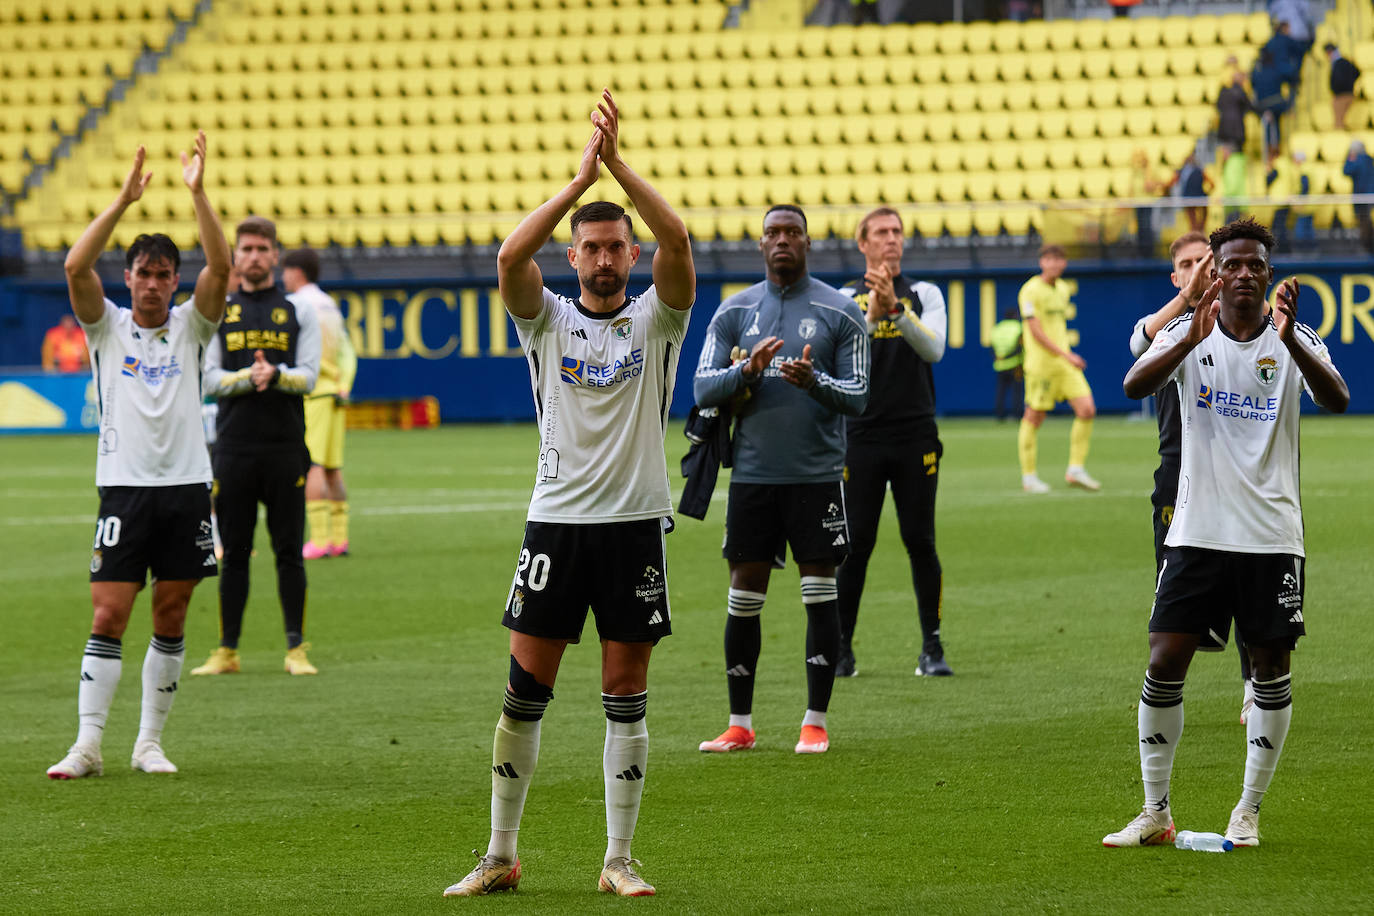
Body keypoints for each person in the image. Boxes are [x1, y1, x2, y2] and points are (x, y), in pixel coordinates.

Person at [443, 91, 694, 899]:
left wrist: (619, 167)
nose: (605, 258)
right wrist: (577, 180)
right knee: (525, 692)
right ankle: (500, 854)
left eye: (616, 245)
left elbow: (681, 239)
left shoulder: (658, 321)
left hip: (631, 530)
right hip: (554, 526)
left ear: (630, 252)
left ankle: (618, 859)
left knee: (626, 693)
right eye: (590, 247)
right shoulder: (546, 321)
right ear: (574, 255)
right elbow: (509, 261)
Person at [1107, 218, 1348, 849]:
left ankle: (1248, 812)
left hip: (1271, 537)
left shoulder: (1295, 338)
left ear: (1268, 275)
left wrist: (1294, 344)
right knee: (1164, 661)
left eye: (1255, 265)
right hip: (1196, 533)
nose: (1243, 273)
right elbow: (1134, 383)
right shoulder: (1193, 334)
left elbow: (1340, 397)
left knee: (1269, 669)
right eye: (1231, 264)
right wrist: (1191, 338)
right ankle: (1155, 811)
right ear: (1214, 272)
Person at [46, 133, 231, 779]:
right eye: (142, 274)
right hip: (123, 487)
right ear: (128, 279)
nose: (152, 285)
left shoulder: (193, 325)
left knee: (172, 611)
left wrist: (198, 194)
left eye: (162, 275)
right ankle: (87, 744)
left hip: (186, 488)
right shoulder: (107, 327)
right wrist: (124, 201)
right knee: (109, 611)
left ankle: (149, 742)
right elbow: (74, 267)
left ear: (174, 281)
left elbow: (222, 267)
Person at [693, 204, 869, 757]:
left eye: (792, 232)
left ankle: (814, 721)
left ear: (807, 242)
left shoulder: (841, 312)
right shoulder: (733, 311)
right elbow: (701, 388)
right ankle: (739, 724)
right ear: (761, 243)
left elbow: (860, 395)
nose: (782, 240)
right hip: (752, 478)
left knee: (820, 597)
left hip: (816, 476)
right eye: (773, 232)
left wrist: (814, 382)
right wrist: (746, 372)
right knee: (742, 598)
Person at [1127, 232, 1256, 723]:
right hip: (1178, 477)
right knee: (1172, 590)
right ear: (1176, 274)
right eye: (1188, 263)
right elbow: (1136, 343)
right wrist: (1188, 299)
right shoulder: (1172, 328)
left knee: (1251, 577)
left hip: (1240, 478)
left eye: (1207, 261)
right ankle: (1164, 688)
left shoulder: (1243, 327)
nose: (1200, 270)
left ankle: (1252, 683)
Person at [190, 216, 321, 677]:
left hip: (286, 447)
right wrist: (251, 376)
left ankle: (296, 648)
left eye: (262, 248)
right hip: (234, 449)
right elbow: (208, 378)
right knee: (236, 553)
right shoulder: (218, 310)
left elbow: (309, 376)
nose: (253, 256)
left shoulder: (298, 309)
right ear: (235, 257)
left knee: (288, 550)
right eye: (245, 249)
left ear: (275, 254)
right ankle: (227, 651)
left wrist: (277, 375)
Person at [833, 207, 948, 679]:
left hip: (915, 435)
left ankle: (932, 648)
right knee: (855, 545)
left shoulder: (924, 294)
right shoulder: (843, 297)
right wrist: (873, 311)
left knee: (920, 541)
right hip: (860, 437)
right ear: (862, 243)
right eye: (881, 232)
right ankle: (841, 649)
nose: (892, 239)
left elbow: (934, 348)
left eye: (897, 232)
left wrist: (895, 312)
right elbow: (841, 353)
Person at [282, 248, 357, 560]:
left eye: (285, 270)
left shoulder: (297, 304)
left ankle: (320, 539)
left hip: (311, 392)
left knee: (310, 464)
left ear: (296, 272)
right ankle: (339, 539)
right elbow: (348, 353)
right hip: (334, 392)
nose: (283, 277)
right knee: (332, 469)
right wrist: (344, 386)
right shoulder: (329, 304)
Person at [1016, 244, 1099, 493]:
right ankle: (1029, 477)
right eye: (1049, 259)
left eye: (1059, 259)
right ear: (1042, 262)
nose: (1054, 264)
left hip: (1064, 363)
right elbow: (1035, 331)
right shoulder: (1030, 290)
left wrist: (1066, 356)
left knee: (1086, 409)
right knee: (1034, 416)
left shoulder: (1063, 289)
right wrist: (1067, 354)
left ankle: (1075, 469)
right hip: (1042, 365)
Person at [991, 309, 1024, 421]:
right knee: (1017, 391)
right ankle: (1017, 415)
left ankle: (999, 414)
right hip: (1016, 364)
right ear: (1015, 315)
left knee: (1001, 391)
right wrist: (1009, 357)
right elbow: (1020, 347)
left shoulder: (997, 328)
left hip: (1000, 365)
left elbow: (992, 347)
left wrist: (998, 357)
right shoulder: (1018, 327)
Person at [1344, 140, 1374, 253]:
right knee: (1366, 220)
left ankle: (1367, 247)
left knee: (1363, 221)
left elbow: (1346, 170)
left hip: (1361, 196)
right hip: (1369, 196)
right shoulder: (1369, 159)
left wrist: (1350, 157)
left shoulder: (1357, 160)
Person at [1326, 43, 1361, 130]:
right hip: (1348, 93)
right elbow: (1357, 72)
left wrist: (1340, 88)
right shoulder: (1345, 61)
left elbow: (1338, 79)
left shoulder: (1338, 63)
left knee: (1339, 122)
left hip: (1341, 95)